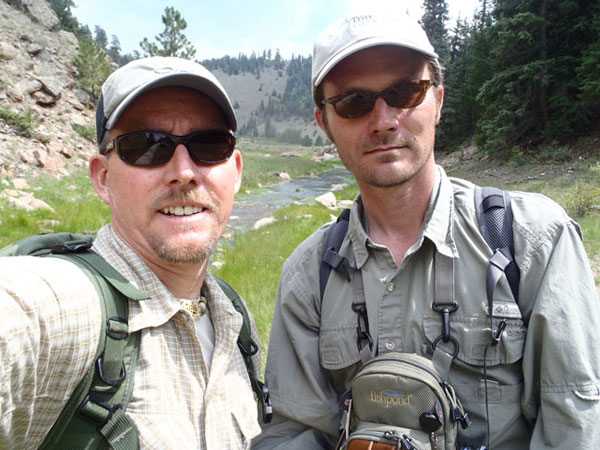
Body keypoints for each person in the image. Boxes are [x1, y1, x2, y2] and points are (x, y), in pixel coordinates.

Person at [252, 8, 600, 450]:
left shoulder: (534, 241)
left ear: (438, 100)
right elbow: (294, 432)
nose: (383, 120)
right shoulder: (307, 275)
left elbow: (575, 422)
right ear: (325, 123)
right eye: (354, 102)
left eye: (405, 92)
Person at [0, 57, 261, 449]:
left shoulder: (236, 319)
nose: (184, 171)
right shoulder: (59, 306)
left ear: (236, 171)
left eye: (209, 145)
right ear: (103, 178)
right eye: (146, 146)